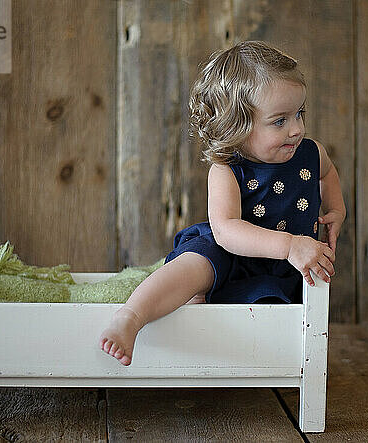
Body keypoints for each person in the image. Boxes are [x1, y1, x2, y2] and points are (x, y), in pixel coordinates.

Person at [99, 40, 346, 366]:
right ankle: (132, 315)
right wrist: (288, 245)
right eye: (280, 121)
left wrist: (335, 209)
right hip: (231, 254)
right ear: (237, 126)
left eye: (300, 113)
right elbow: (227, 230)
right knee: (199, 261)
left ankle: (233, 334)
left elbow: (326, 174)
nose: (297, 129)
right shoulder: (227, 169)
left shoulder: (311, 153)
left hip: (282, 267)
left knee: (278, 305)